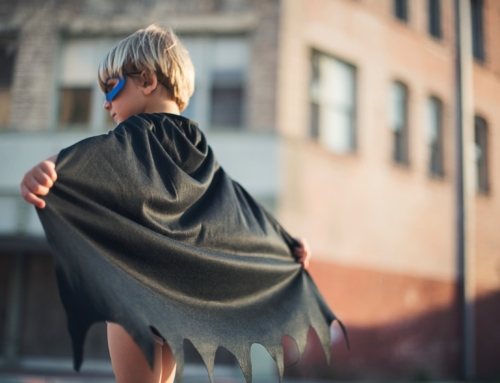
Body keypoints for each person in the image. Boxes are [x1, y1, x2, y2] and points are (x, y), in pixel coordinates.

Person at [20, 25, 316, 383]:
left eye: (111, 87)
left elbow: (91, 154)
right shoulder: (195, 141)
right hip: (174, 303)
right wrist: (283, 241)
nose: (106, 103)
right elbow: (232, 203)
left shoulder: (134, 133)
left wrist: (51, 167)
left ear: (145, 81)